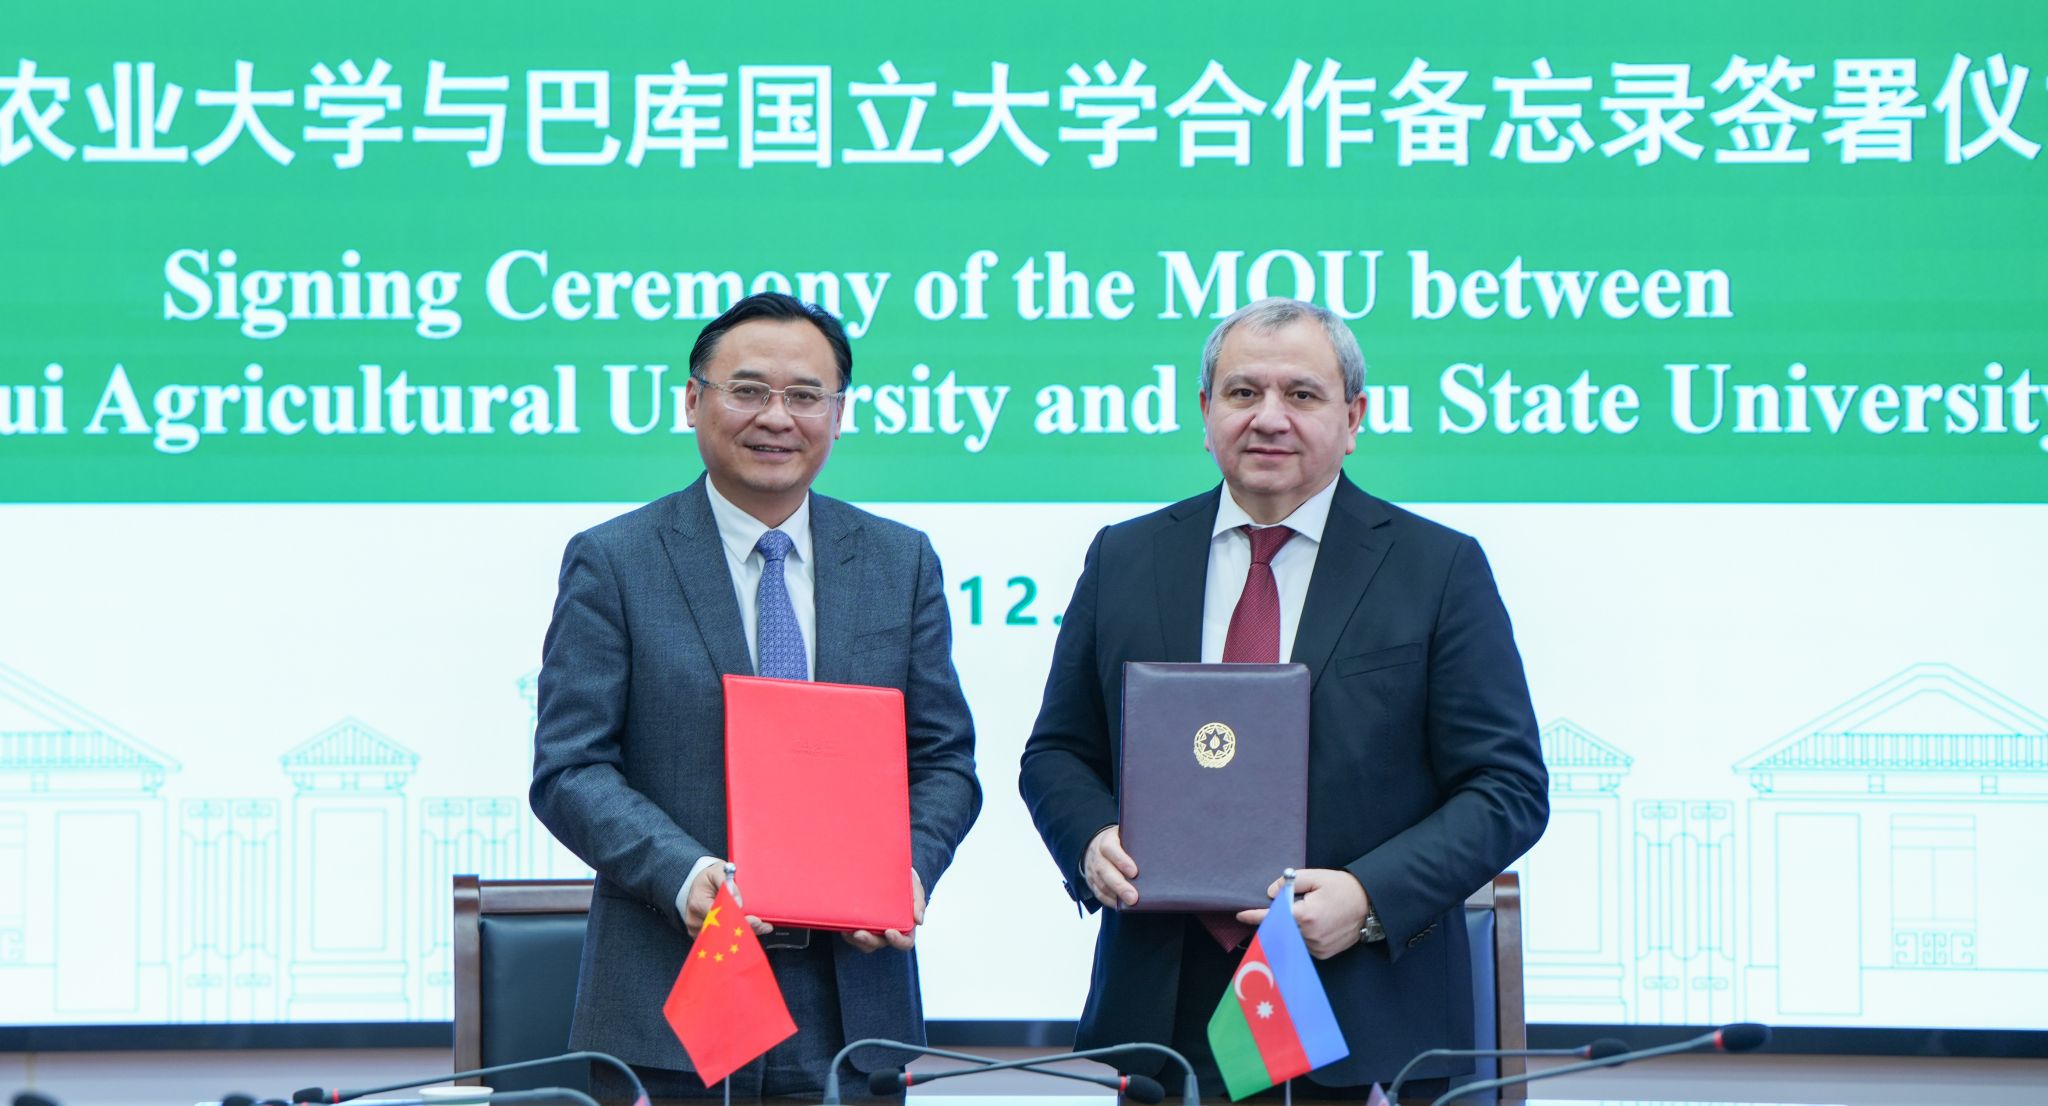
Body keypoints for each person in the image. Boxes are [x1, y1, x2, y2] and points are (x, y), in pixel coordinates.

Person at [1018, 297, 1549, 1097]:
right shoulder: (1127, 557)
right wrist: (1091, 840)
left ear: (1353, 417)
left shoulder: (1437, 569)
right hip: (1165, 1012)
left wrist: (1368, 897)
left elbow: (1508, 788)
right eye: (1243, 392)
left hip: (1358, 1004)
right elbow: (1058, 752)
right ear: (1206, 412)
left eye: (1301, 394)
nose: (1269, 418)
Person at [531, 292, 981, 1099]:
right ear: (692, 400)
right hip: (673, 997)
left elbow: (944, 760)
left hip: (853, 1008)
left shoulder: (899, 562)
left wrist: (905, 870)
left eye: (805, 395)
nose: (777, 417)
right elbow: (571, 769)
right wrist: (686, 874)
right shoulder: (616, 561)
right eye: (747, 390)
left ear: (838, 414)